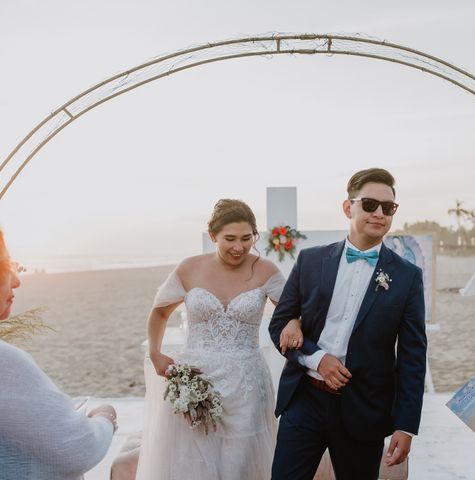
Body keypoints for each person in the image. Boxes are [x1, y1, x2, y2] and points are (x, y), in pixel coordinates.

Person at [269, 168, 427, 480]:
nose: (379, 213)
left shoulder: (408, 276)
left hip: (364, 408)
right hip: (304, 400)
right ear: (348, 207)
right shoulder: (311, 260)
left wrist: (406, 425)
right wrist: (318, 358)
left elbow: (412, 357)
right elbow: (278, 326)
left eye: (388, 207)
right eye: (369, 204)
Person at [135, 199, 302, 480]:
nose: (239, 247)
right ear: (213, 236)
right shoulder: (189, 268)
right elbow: (160, 313)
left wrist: (295, 323)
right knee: (192, 463)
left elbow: (292, 311)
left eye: (247, 238)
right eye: (230, 239)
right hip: (196, 382)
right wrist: (155, 353)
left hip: (247, 385)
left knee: (239, 463)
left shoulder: (267, 271)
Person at [0, 231, 117, 479]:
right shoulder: (5, 362)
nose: (17, 280)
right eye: (5, 266)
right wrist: (105, 418)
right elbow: (76, 449)